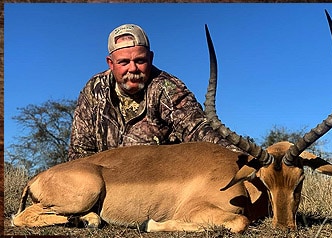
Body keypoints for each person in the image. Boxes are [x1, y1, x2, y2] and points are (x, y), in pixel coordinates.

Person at [68, 24, 237, 161]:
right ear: (110, 64)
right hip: (107, 187)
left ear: (151, 58)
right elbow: (79, 152)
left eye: (140, 60)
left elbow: (198, 129)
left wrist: (238, 157)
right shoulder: (93, 90)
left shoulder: (167, 87)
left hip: (158, 189)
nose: (132, 68)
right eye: (124, 62)